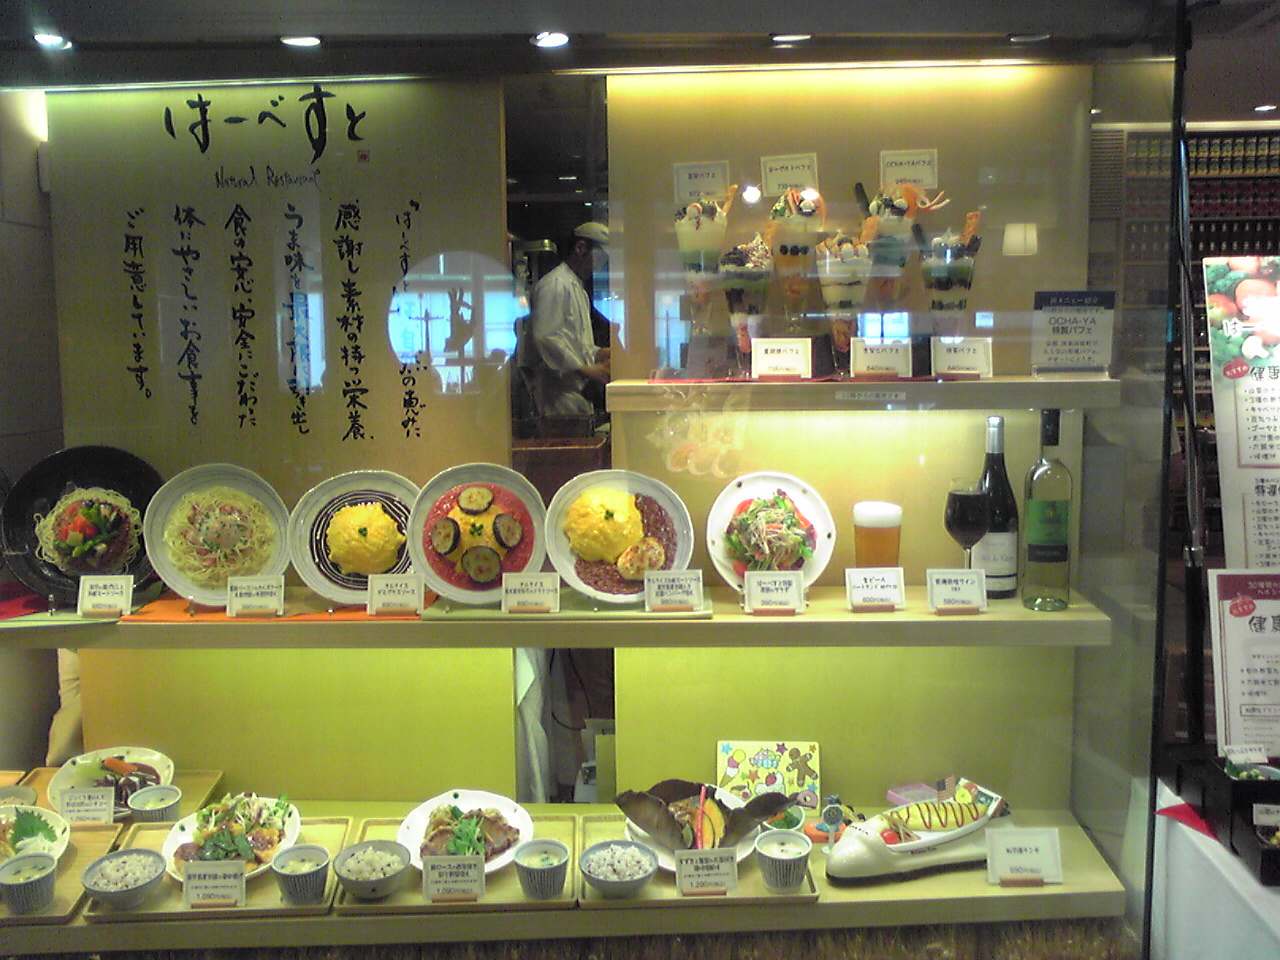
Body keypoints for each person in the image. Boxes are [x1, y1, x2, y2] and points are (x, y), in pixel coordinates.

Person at [523, 222, 611, 417]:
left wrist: (599, 353)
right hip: (557, 396)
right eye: (601, 258)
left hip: (576, 395)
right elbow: (546, 337)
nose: (601, 265)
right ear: (580, 248)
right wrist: (585, 370)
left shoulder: (577, 288)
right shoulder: (555, 284)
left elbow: (576, 343)